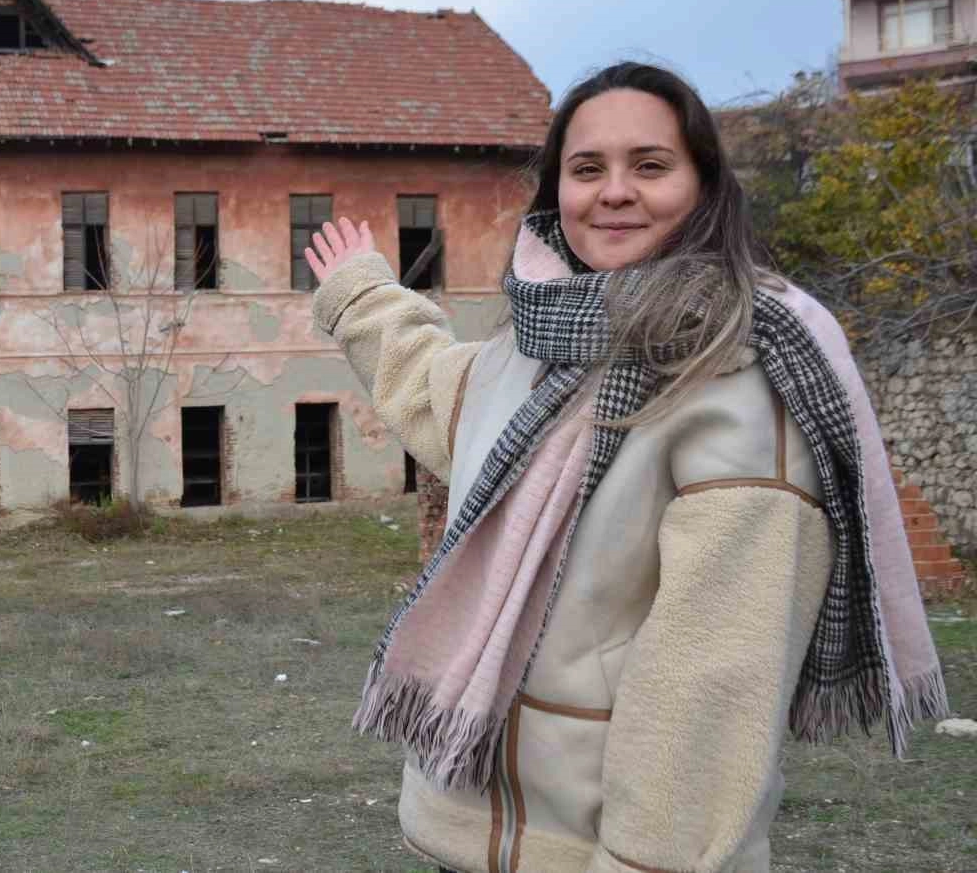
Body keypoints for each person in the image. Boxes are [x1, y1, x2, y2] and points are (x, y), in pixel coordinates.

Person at [305, 62, 946, 873]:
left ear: (704, 185)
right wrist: (362, 296)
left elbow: (705, 693)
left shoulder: (739, 377)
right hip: (461, 834)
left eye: (649, 164)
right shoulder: (535, 351)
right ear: (557, 191)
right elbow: (436, 390)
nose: (613, 192)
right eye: (586, 168)